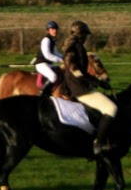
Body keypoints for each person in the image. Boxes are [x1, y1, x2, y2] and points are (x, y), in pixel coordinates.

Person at [61, 20, 117, 156]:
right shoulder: (73, 49)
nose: (86, 37)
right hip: (79, 88)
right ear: (80, 35)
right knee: (111, 108)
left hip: (81, 86)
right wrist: (96, 81)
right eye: (85, 35)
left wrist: (98, 82)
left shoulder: (77, 46)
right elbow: (76, 72)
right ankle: (98, 143)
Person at [35, 20, 64, 95]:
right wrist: (60, 60)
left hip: (48, 64)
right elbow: (47, 55)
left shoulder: (52, 40)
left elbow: (55, 53)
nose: (55, 31)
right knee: (53, 76)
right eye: (52, 29)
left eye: (56, 29)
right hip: (41, 64)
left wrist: (64, 58)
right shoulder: (46, 40)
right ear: (48, 30)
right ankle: (41, 93)